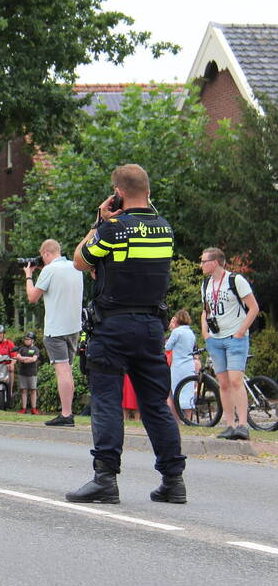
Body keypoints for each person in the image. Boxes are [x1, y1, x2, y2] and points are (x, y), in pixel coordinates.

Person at [67, 163, 186, 504]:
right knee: (155, 404)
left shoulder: (114, 228)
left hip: (113, 326)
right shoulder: (165, 230)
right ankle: (173, 481)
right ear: (148, 191)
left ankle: (105, 478)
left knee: (106, 400)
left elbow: (80, 260)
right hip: (151, 327)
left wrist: (98, 223)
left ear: (117, 193)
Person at [200, 248, 259, 441]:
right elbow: (206, 310)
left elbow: (254, 308)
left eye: (203, 261)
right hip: (215, 339)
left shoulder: (235, 280)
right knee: (223, 384)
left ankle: (242, 425)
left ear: (215, 262)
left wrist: (241, 331)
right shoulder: (207, 283)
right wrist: (205, 332)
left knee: (236, 380)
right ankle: (230, 425)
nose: (201, 265)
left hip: (235, 338)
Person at [24, 239, 84, 427]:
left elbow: (32, 297)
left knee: (62, 371)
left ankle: (66, 415)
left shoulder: (49, 271)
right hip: (74, 327)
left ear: (46, 254)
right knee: (68, 371)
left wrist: (28, 275)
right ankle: (68, 411)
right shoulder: (75, 267)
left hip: (56, 329)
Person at [166, 310, 197, 423]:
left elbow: (168, 347)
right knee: (188, 391)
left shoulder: (176, 332)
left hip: (178, 365)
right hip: (189, 364)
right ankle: (188, 418)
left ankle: (176, 418)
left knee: (176, 391)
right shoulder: (191, 332)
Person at [15, 332, 40, 414]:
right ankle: (24, 408)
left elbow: (34, 359)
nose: (26, 341)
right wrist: (27, 359)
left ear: (32, 340)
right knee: (23, 390)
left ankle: (34, 409)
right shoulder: (21, 349)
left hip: (32, 373)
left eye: (28, 339)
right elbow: (18, 357)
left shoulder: (35, 349)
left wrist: (23, 359)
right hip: (22, 373)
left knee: (33, 390)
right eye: (25, 339)